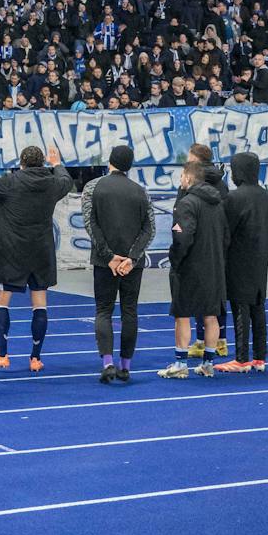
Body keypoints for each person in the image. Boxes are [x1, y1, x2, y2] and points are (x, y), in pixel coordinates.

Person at [0, 143, 72, 371]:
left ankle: (2, 355)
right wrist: (57, 164)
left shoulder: (11, 181)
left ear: (21, 163)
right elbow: (67, 180)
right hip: (41, 251)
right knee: (39, 304)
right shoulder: (53, 183)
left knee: (0, 301)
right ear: (42, 163)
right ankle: (35, 358)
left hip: (11, 251)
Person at [85, 145, 154, 385]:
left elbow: (91, 224)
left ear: (110, 161)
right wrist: (132, 257)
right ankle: (126, 366)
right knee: (129, 311)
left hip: (105, 263)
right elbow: (149, 228)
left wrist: (108, 256)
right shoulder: (140, 191)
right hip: (131, 265)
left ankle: (107, 363)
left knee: (103, 310)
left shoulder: (95, 188)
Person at [160, 160, 230, 379]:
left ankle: (180, 364)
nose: (180, 179)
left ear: (189, 178)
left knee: (182, 315)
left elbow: (182, 237)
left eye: (181, 175)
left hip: (190, 267)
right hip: (215, 267)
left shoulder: (187, 203)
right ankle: (208, 363)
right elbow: (226, 236)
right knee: (211, 315)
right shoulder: (217, 202)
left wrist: (176, 259)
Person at [218, 151, 268, 372]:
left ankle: (241, 358)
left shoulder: (235, 197)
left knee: (240, 307)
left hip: (239, 259)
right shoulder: (263, 195)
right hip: (260, 257)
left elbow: (226, 231)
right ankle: (260, 357)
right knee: (258, 306)